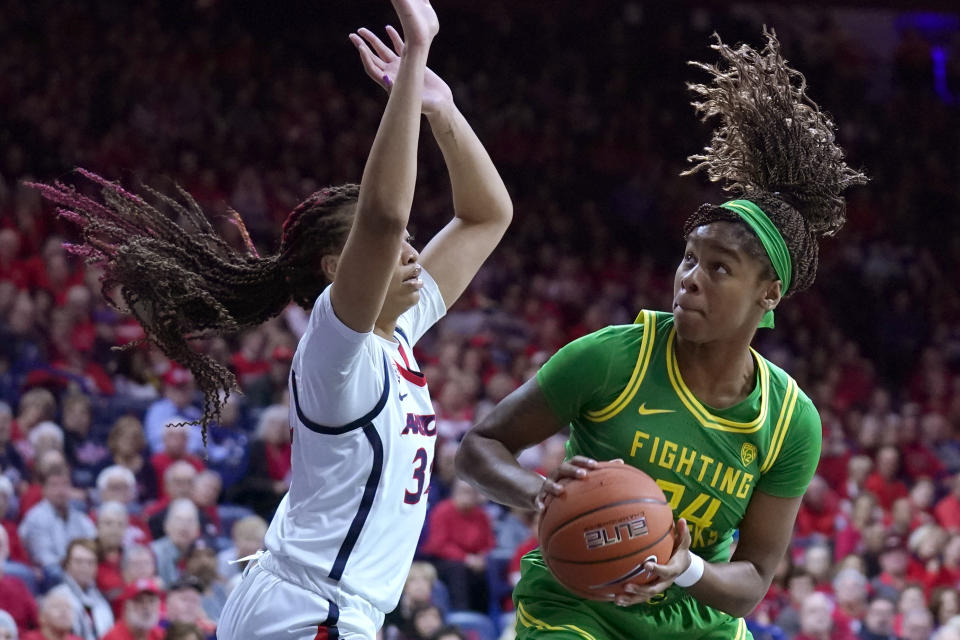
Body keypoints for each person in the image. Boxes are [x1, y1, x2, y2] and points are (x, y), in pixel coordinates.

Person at [31, 0, 511, 637]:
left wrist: (441, 109)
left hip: (308, 606)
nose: (412, 252)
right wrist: (417, 45)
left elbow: (487, 215)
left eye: (410, 243)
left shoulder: (396, 334)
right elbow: (383, 216)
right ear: (339, 268)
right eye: (392, 250)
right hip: (314, 612)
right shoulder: (336, 352)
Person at [456, 29, 867, 640]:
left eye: (719, 268)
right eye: (688, 259)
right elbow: (477, 449)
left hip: (697, 623)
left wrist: (687, 568)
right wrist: (539, 494)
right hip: (576, 607)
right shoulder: (612, 357)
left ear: (769, 294)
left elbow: (751, 584)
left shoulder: (790, 422)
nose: (690, 280)